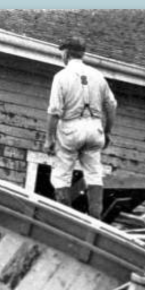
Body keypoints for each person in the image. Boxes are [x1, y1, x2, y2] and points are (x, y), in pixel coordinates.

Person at [45, 37, 117, 219]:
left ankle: (65, 219)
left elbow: (54, 111)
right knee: (94, 174)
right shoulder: (98, 76)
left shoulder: (61, 76)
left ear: (67, 53)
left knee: (61, 176)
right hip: (95, 128)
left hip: (70, 129)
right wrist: (107, 131)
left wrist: (49, 139)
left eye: (62, 52)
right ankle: (95, 220)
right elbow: (112, 106)